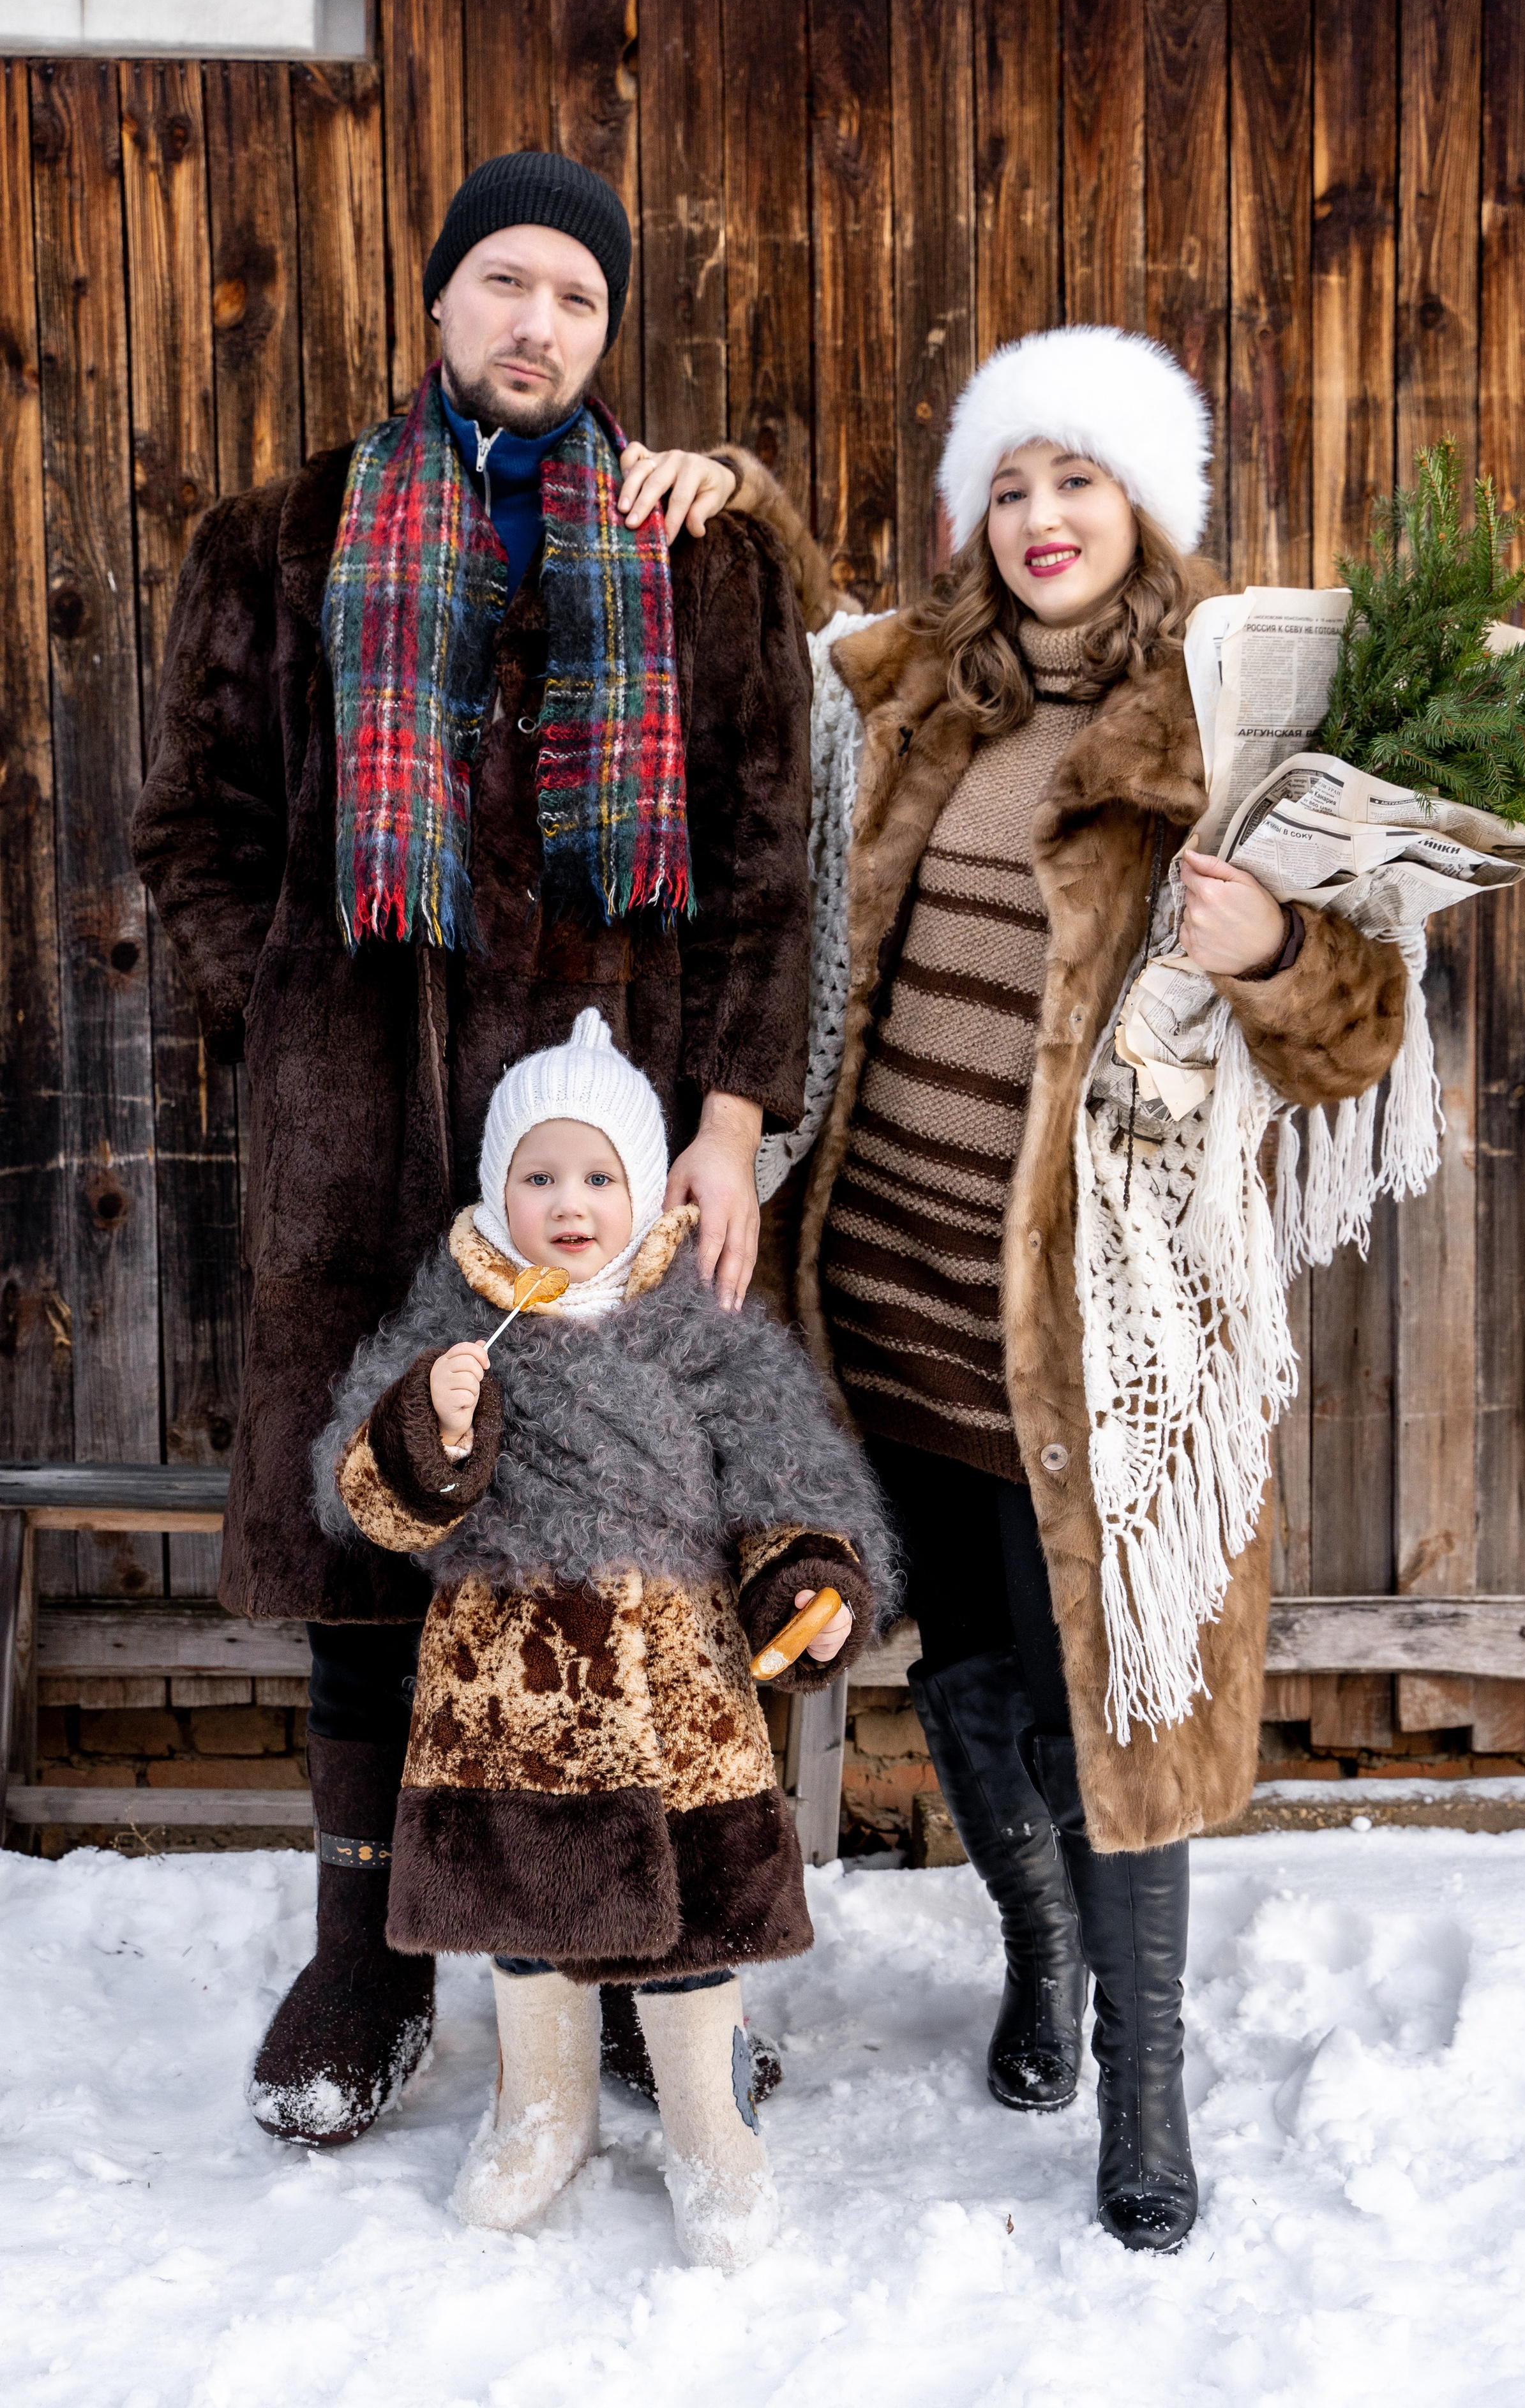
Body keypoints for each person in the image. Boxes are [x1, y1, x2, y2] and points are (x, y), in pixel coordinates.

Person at [132, 151, 826, 2148]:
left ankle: (645, 1947)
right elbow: (195, 830)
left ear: (612, 332)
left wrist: (730, 1130)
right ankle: (369, 1954)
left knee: (642, 1548)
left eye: (578, 300)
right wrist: (285, 1025)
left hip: (622, 1147)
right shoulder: (285, 542)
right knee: (378, 1528)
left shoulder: (693, 551)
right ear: (439, 304)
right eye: (505, 284)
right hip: (369, 1143)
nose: (539, 324)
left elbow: (771, 871)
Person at [792, 326, 1407, 2252]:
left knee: (1120, 1701)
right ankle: (1034, 1954)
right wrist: (734, 484)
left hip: (1108, 1322)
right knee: (969, 1672)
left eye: (1082, 478)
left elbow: (1361, 1038)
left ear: (1147, 502)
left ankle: (1146, 2091)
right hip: (898, 1284)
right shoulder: (925, 700)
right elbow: (796, 617)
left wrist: (1272, 947)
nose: (1045, 515)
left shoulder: (1232, 734)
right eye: (1012, 481)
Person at [312, 1009, 890, 2269]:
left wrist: (809, 1571)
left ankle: (708, 2124)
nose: (567, 1204)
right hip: (510, 1687)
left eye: (595, 1176)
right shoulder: (450, 1323)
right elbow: (365, 1490)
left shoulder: (698, 1331)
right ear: (495, 1189)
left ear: (641, 1189)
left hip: (673, 1689)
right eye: (536, 1176)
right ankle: (539, 2110)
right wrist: (431, 1425)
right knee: (529, 1921)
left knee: (694, 1934)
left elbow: (786, 1473)